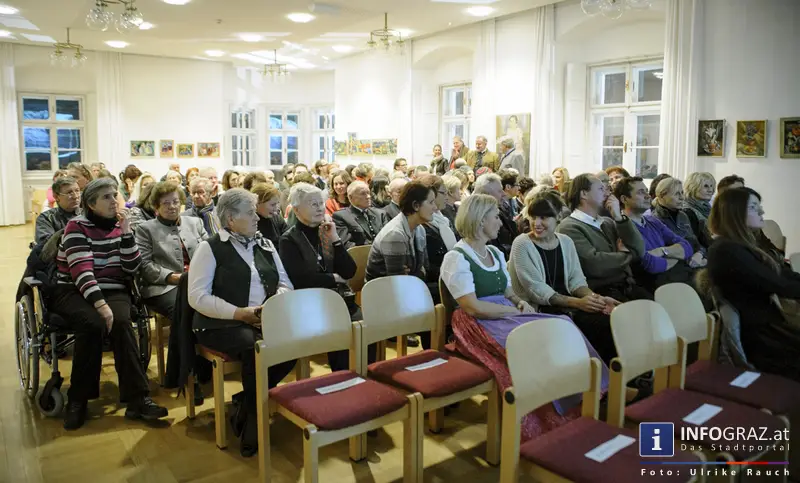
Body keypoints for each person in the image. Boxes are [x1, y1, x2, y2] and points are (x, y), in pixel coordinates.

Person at [442, 194, 607, 441]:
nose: (501, 222)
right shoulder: (456, 257)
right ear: (479, 221)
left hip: (501, 314)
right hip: (476, 323)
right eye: (495, 217)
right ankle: (557, 409)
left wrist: (519, 302)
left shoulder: (495, 253)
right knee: (531, 345)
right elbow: (472, 306)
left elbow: (508, 291)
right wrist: (513, 309)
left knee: (562, 325)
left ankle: (592, 389)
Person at [52, 178, 168, 430]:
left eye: (115, 194)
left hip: (112, 286)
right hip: (73, 289)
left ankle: (138, 398)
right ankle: (78, 399)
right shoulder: (76, 227)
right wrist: (101, 305)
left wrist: (126, 233)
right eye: (106, 196)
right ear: (91, 204)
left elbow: (131, 267)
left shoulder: (120, 226)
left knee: (123, 323)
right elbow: (82, 272)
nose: (114, 200)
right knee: (92, 323)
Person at [188, 188, 296, 456]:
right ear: (230, 219)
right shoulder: (210, 248)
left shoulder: (265, 244)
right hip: (219, 323)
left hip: (261, 319)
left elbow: (285, 283)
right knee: (255, 349)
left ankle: (246, 406)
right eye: (250, 213)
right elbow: (197, 297)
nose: (257, 218)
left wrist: (268, 308)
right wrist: (240, 313)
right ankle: (253, 426)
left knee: (292, 345)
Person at [509, 191, 619, 363]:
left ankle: (620, 378)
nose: (536, 223)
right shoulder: (522, 243)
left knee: (614, 316)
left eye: (544, 218)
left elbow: (576, 281)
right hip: (538, 310)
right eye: (533, 217)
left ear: (558, 217)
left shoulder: (565, 241)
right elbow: (536, 291)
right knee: (601, 326)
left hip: (566, 305)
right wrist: (578, 303)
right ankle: (603, 381)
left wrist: (595, 299)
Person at [705, 187, 800, 381]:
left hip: (768, 325)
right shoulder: (726, 250)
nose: (762, 211)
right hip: (758, 335)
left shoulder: (743, 245)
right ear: (735, 213)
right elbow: (777, 283)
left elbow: (782, 273)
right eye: (754, 207)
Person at [278, 183, 374, 371]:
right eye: (313, 204)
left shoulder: (326, 231)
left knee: (364, 327)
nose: (320, 208)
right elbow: (301, 280)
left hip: (338, 300)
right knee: (340, 329)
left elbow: (349, 272)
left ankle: (365, 377)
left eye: (321, 203)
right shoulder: (289, 239)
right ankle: (342, 380)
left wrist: (336, 239)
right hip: (310, 303)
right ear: (296, 210)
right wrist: (333, 278)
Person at [556, 174, 650, 302]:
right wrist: (628, 255)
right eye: (601, 189)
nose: (608, 192)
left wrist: (618, 217)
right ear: (584, 194)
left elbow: (639, 249)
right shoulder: (569, 227)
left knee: (659, 312)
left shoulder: (607, 222)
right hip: (600, 292)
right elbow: (595, 265)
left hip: (628, 286)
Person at [136, 181, 207, 325]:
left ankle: (208, 346)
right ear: (156, 206)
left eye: (175, 202)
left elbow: (210, 252)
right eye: (166, 203)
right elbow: (145, 265)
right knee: (183, 310)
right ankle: (184, 347)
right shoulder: (145, 229)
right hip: (163, 287)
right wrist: (173, 277)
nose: (172, 206)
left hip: (198, 281)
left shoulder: (195, 223)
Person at [615, 176, 696, 292]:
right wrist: (677, 256)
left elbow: (687, 246)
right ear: (624, 199)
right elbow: (650, 264)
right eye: (641, 192)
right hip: (653, 287)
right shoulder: (623, 229)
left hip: (673, 280)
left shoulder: (652, 221)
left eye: (647, 191)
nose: (648, 196)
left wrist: (662, 251)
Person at [365, 180, 434, 282]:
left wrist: (414, 273)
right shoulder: (395, 234)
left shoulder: (419, 229)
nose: (435, 207)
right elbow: (399, 281)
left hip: (408, 287)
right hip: (382, 292)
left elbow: (424, 269)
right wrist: (416, 274)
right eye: (431, 202)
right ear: (416, 205)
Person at [650, 177, 706, 260]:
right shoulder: (654, 219)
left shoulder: (683, 215)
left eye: (682, 193)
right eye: (676, 194)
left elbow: (694, 242)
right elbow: (662, 252)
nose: (681, 197)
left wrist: (700, 253)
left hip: (691, 259)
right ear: (662, 196)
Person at [472, 173, 517, 259]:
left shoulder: (500, 211)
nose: (504, 194)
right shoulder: (476, 218)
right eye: (499, 191)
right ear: (486, 194)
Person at [333, 181, 388, 249]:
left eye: (368, 193)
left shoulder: (380, 214)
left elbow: (388, 238)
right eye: (363, 194)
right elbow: (347, 245)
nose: (368, 196)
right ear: (350, 197)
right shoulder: (341, 216)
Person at [36, 176, 81, 245]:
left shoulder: (88, 214)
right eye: (69, 193)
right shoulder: (46, 218)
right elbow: (46, 244)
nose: (75, 196)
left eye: (77, 191)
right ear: (56, 197)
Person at [683, 172, 716, 249]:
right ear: (693, 187)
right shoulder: (687, 210)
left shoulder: (707, 207)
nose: (710, 190)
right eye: (706, 186)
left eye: (711, 186)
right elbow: (693, 240)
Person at [252, 183, 287, 247]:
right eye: (273, 205)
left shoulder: (277, 218)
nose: (276, 208)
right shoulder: (250, 223)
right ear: (257, 203)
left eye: (277, 203)